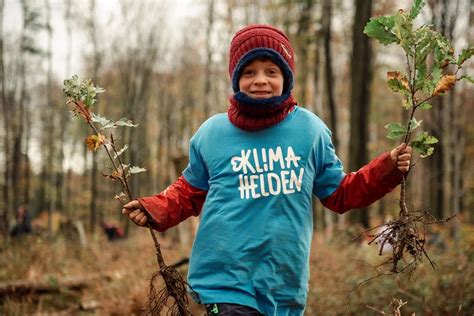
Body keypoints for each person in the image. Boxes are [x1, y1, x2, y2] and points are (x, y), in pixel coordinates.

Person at [122, 24, 412, 316]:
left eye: (271, 71)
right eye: (249, 72)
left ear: (286, 77)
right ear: (236, 78)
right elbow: (188, 192)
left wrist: (387, 168)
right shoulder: (212, 134)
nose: (260, 80)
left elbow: (341, 194)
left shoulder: (310, 131)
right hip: (225, 281)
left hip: (284, 284)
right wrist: (155, 208)